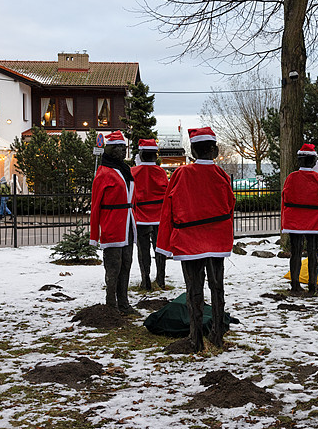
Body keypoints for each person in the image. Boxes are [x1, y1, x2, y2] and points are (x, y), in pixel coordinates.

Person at [156, 127, 235, 351]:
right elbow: (230, 205)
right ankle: (217, 335)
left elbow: (168, 209)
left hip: (189, 240)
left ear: (192, 150)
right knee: (217, 286)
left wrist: (165, 244)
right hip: (217, 239)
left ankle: (195, 339)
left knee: (194, 289)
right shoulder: (222, 175)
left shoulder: (181, 174)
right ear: (215, 150)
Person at [89, 130, 137, 315]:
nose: (123, 151)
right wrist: (95, 236)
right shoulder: (103, 173)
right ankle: (111, 304)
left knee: (127, 263)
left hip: (127, 224)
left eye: (124, 148)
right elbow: (95, 207)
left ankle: (124, 302)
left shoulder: (125, 170)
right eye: (119, 148)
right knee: (113, 266)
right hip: (112, 225)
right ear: (109, 149)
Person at [281, 143, 318, 295]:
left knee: (295, 252)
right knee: (313, 252)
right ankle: (313, 286)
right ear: (313, 161)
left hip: (295, 220)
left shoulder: (291, 177)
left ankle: (295, 285)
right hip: (314, 220)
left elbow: (285, 198)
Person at [131, 138, 169, 290]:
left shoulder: (133, 172)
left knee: (143, 250)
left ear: (141, 153)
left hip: (140, 217)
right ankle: (160, 280)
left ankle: (145, 279)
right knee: (160, 249)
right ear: (155, 155)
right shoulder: (161, 172)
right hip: (159, 217)